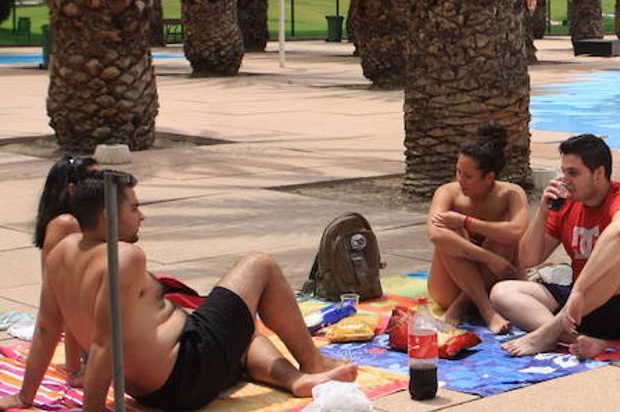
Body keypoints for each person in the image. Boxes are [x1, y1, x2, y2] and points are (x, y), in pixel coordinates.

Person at [1, 171, 356, 412]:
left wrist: (24, 395)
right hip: (186, 371)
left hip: (154, 387)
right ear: (109, 215)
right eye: (134, 208)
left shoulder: (61, 250)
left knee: (241, 332)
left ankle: (295, 380)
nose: (142, 216)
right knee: (259, 265)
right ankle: (313, 361)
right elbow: (106, 344)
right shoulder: (125, 257)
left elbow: (48, 328)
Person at [490, 134, 620, 360]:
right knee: (503, 292)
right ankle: (576, 340)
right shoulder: (567, 205)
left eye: (573, 173)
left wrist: (580, 290)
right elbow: (528, 258)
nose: (565, 179)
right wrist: (543, 212)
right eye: (563, 171)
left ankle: (547, 334)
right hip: (587, 308)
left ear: (599, 174)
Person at [427, 123, 528, 333]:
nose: (460, 180)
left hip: (497, 284)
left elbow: (517, 231)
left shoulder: (511, 194)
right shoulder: (447, 192)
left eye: (468, 176)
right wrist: (488, 258)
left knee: (503, 236)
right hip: (449, 287)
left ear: (489, 177)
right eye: (458, 172)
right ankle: (486, 311)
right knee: (448, 231)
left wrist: (467, 222)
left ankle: (462, 306)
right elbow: (435, 234)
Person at [32, 156, 99, 386]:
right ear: (72, 189)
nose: (101, 184)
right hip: (75, 319)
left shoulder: (76, 220)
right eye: (94, 179)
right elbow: (67, 304)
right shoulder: (66, 224)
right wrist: (75, 370)